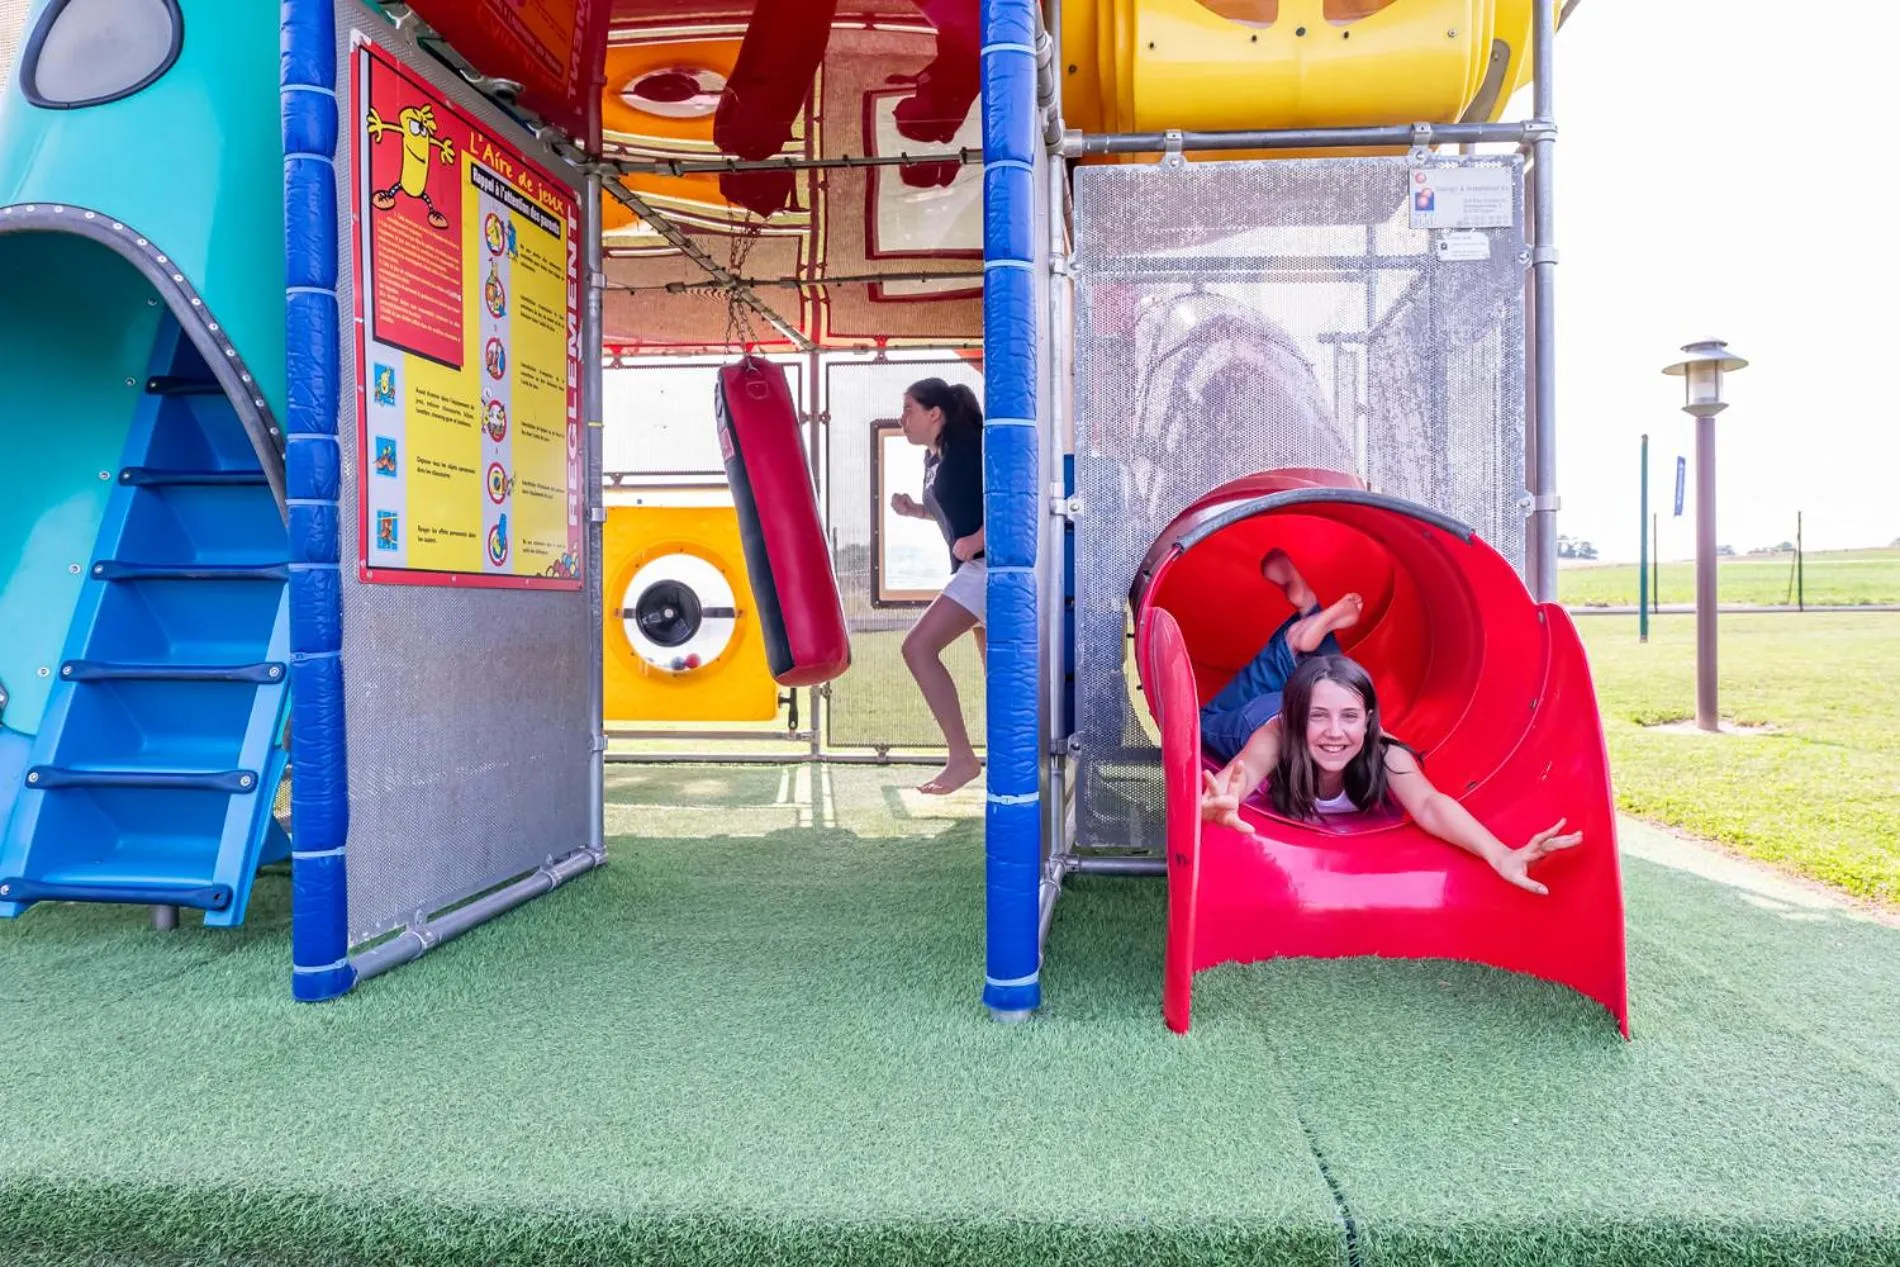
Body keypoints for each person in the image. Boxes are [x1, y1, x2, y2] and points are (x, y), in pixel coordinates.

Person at [1197, 551, 1583, 896]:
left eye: (1350, 718)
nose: (1335, 732)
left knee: (1328, 682)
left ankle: (1307, 625)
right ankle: (1305, 628)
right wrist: (1212, 808)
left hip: (1308, 695)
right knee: (1204, 722)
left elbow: (1430, 804)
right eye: (1319, 718)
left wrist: (1500, 854)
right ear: (1298, 719)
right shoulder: (1275, 735)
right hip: (1262, 713)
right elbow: (1234, 783)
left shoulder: (1385, 750)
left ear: (1369, 721)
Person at [888, 378, 986, 795]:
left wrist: (978, 539)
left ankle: (962, 758)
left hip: (988, 569)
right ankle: (1010, 762)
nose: (902, 417)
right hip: (974, 570)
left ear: (935, 414)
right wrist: (916, 512)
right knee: (997, 678)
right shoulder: (934, 459)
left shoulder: (968, 448)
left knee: (917, 647)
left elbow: (1012, 497)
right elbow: (960, 507)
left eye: (909, 408)